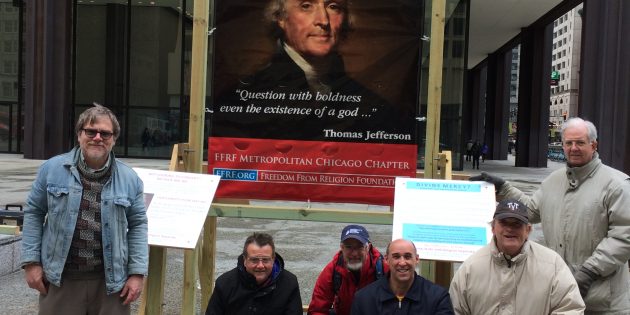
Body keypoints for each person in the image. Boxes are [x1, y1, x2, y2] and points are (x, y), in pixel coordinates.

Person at [471, 117, 630, 314]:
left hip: (602, 301)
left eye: (580, 142)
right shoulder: (553, 182)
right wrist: (503, 188)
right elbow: (530, 211)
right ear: (562, 145)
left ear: (593, 145)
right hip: (561, 294)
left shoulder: (617, 184)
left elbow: (623, 236)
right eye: (569, 143)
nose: (574, 148)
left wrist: (590, 272)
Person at [212, 0, 413, 142]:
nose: (323, 21)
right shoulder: (240, 101)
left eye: (333, 7)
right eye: (306, 6)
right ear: (280, 18)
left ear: (345, 19)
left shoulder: (375, 106)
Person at [21, 103, 148, 315]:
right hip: (61, 281)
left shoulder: (130, 179)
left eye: (105, 134)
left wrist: (137, 273)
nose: (98, 137)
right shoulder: (51, 170)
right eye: (91, 131)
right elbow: (34, 212)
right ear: (80, 135)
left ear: (114, 139)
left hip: (110, 285)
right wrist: (31, 262)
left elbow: (138, 225)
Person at [449, 199, 585, 315]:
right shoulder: (471, 267)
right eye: (504, 223)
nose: (510, 229)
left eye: (517, 224)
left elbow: (571, 309)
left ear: (528, 230)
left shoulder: (553, 265)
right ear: (493, 228)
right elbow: (455, 310)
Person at [205, 232, 302, 315]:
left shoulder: (289, 283)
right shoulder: (225, 284)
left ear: (273, 260)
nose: (260, 265)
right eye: (254, 260)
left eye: (265, 260)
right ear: (245, 260)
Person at [350, 239, 454, 314]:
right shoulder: (364, 299)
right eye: (396, 257)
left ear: (417, 259)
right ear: (386, 260)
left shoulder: (438, 298)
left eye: (408, 257)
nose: (402, 262)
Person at [308, 224, 389, 315]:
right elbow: (317, 310)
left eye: (359, 247)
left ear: (368, 248)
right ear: (342, 248)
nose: (354, 253)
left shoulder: (383, 269)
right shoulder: (332, 270)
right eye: (349, 247)